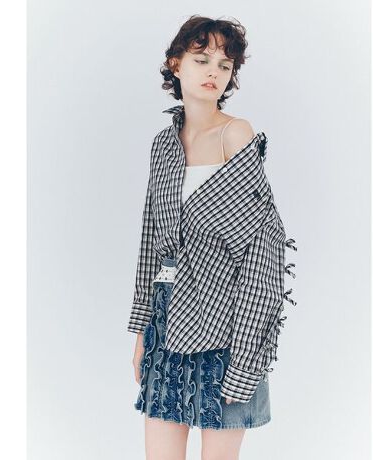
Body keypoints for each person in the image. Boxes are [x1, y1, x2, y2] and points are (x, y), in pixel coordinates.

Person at [126, 15, 297, 460]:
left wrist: (248, 355)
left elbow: (263, 249)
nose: (213, 72)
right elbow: (151, 240)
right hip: (167, 321)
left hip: (226, 324)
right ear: (175, 64)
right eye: (201, 59)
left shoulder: (235, 134)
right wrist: (142, 328)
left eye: (224, 65)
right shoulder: (163, 146)